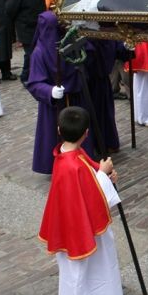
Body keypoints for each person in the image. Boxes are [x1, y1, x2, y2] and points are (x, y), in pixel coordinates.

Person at [38, 106, 127, 295]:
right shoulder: (73, 164)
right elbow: (94, 195)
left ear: (59, 130)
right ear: (86, 133)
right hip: (84, 230)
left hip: (69, 226)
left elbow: (90, 174)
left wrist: (104, 173)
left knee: (73, 272)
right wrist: (104, 176)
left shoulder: (63, 154)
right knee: (89, 272)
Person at [26, 12, 96, 174]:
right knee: (54, 135)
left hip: (76, 97)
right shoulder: (39, 53)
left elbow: (87, 54)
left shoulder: (69, 42)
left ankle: (84, 158)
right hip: (55, 105)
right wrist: (49, 90)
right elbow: (34, 83)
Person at [7, 0, 45, 84]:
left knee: (38, 52)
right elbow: (10, 9)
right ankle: (25, 76)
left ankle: (37, 74)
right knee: (30, 53)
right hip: (25, 28)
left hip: (38, 26)